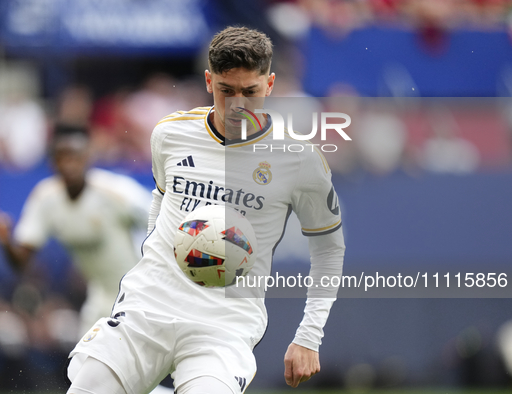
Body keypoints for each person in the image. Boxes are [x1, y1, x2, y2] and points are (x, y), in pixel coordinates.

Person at [66, 26, 346, 394]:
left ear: (271, 84)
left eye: (251, 92)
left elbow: (329, 248)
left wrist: (309, 336)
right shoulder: (169, 134)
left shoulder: (299, 160)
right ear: (208, 81)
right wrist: (149, 265)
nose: (238, 105)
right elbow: (162, 198)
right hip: (148, 308)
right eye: (226, 91)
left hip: (223, 325)